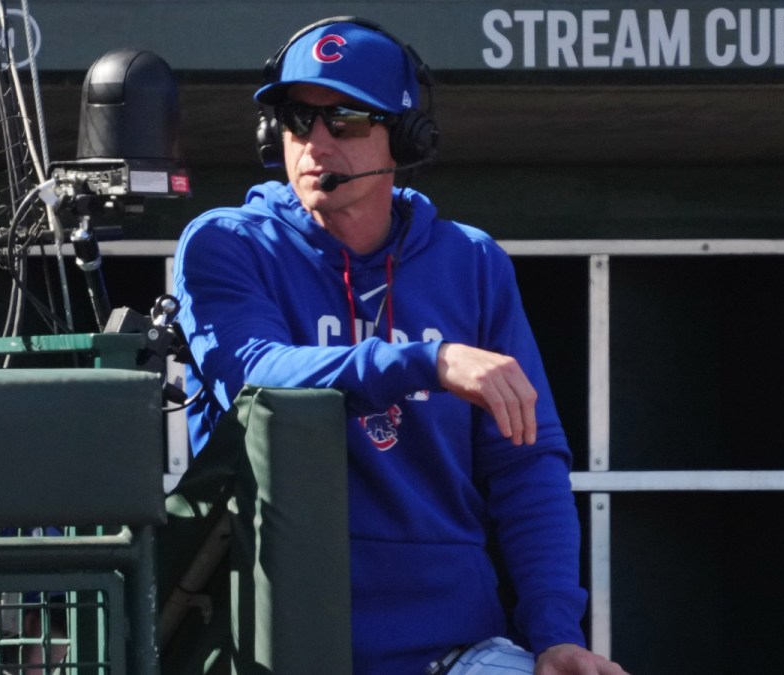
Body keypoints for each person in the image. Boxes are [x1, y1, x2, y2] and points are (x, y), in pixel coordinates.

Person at [172, 16, 627, 675]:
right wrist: (431, 361)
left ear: (406, 136)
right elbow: (256, 373)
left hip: (454, 646)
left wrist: (556, 633)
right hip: (274, 642)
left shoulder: (472, 261)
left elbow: (526, 466)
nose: (317, 142)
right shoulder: (226, 242)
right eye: (298, 119)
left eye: (346, 119)